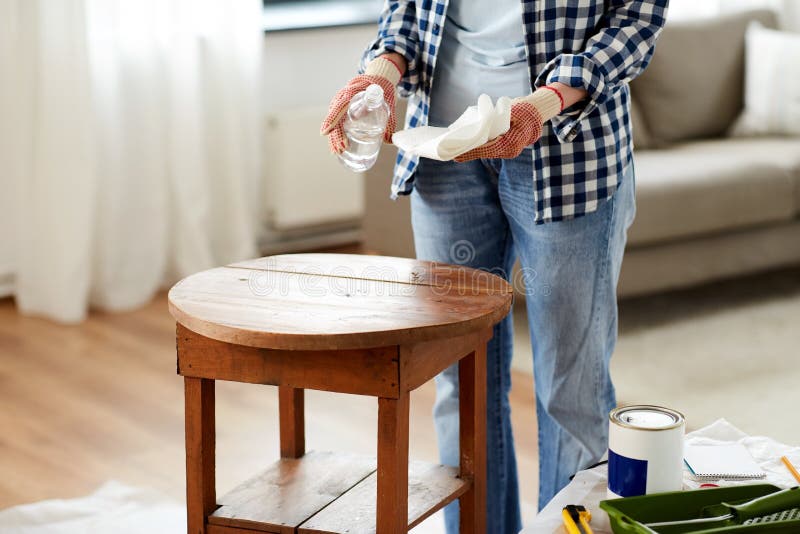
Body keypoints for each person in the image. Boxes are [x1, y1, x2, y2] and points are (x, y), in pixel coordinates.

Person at [322, 1, 669, 532]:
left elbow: (636, 21)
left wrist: (547, 102)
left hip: (568, 151)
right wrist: (380, 74)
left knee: (570, 391)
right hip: (443, 149)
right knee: (460, 379)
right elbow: (406, 13)